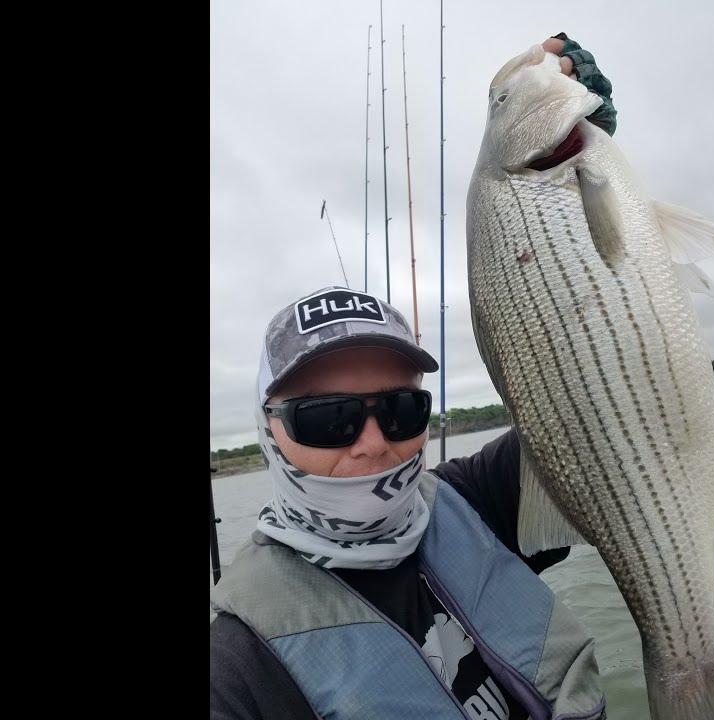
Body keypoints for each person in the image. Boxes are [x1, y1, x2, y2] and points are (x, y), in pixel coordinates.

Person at [210, 34, 617, 720]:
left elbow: (592, 402)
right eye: (326, 418)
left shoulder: (474, 502)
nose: (371, 441)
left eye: (399, 409)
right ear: (270, 431)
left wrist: (579, 180)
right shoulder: (238, 669)